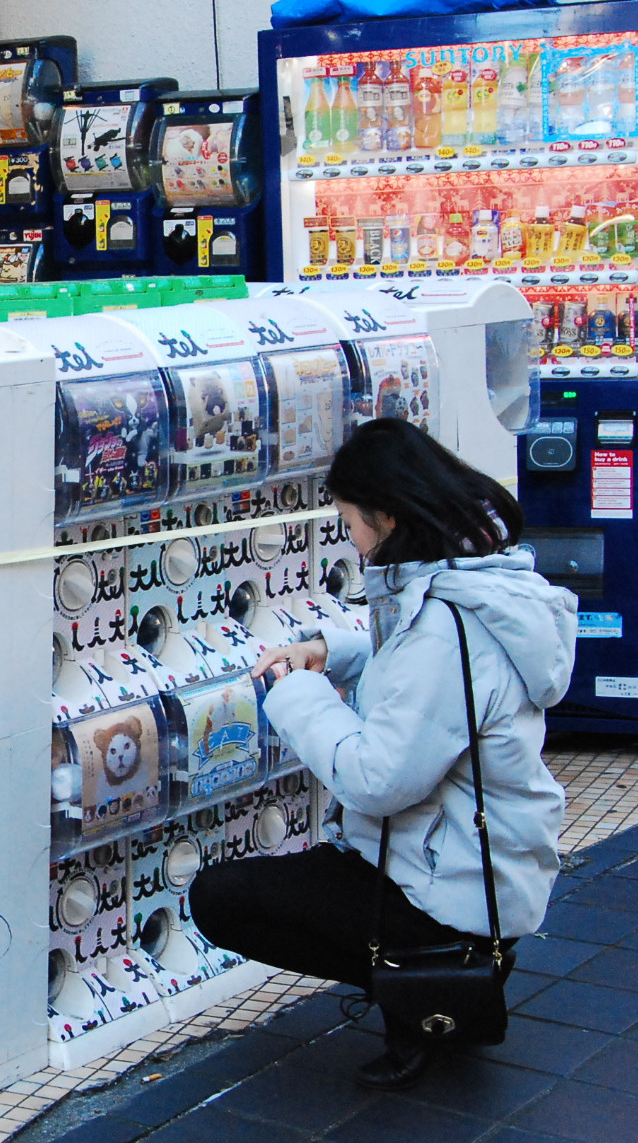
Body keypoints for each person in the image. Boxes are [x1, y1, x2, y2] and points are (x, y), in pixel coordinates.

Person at [190, 418, 578, 1090]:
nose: (352, 538)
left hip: (444, 880)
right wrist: (334, 653)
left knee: (220, 899)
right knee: (276, 887)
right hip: (469, 860)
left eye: (352, 522)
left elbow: (376, 778)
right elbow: (421, 683)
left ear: (389, 515)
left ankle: (428, 985)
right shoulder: (474, 583)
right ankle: (436, 974)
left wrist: (298, 691)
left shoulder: (444, 625)